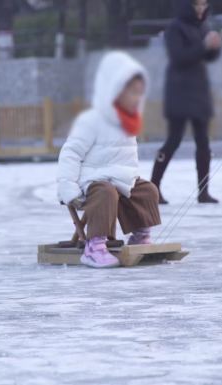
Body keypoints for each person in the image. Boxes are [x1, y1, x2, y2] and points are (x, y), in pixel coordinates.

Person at [57, 51, 161, 269]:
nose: (135, 98)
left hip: (118, 180)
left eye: (138, 94)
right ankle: (94, 247)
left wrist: (132, 180)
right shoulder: (91, 121)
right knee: (106, 192)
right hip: (91, 182)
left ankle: (140, 234)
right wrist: (68, 189)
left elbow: (126, 162)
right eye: (131, 92)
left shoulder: (127, 124)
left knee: (147, 190)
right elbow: (71, 153)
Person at [150, 0, 222, 205]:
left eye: (203, 5)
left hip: (199, 90)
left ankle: (204, 192)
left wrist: (214, 47)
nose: (200, 10)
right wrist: (204, 45)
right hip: (178, 91)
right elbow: (179, 57)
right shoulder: (175, 28)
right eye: (196, 6)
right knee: (173, 140)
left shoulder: (202, 27)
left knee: (203, 142)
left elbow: (206, 57)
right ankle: (153, 187)